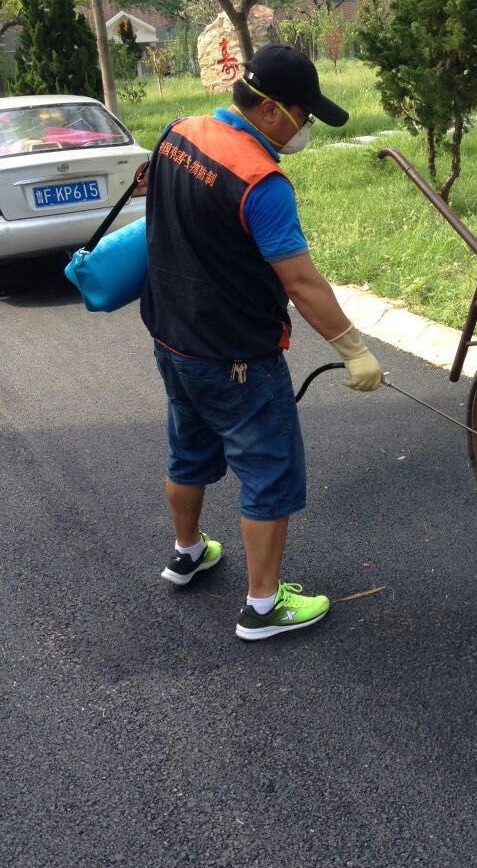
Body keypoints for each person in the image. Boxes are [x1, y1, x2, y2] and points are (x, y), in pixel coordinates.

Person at [141, 42, 381, 641]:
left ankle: (187, 551)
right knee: (270, 474)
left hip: (173, 339)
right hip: (236, 356)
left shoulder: (177, 134)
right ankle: (263, 607)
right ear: (270, 109)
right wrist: (353, 349)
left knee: (188, 450)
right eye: (302, 115)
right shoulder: (261, 181)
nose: (304, 128)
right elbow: (300, 281)